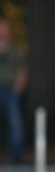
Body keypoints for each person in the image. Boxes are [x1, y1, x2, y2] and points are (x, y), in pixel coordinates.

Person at [0, 19, 26, 163]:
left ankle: (15, 160)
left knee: (15, 126)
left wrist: (17, 89)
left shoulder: (16, 51)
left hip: (10, 92)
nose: (2, 32)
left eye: (5, 29)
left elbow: (22, 71)